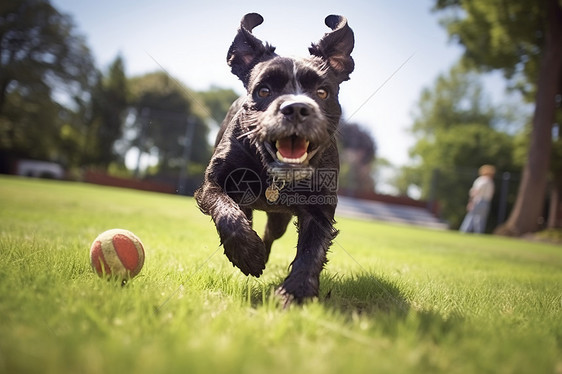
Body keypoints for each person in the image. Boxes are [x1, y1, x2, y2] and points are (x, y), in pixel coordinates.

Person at [460, 165, 496, 233]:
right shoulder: (491, 182)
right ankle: (478, 233)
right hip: (486, 202)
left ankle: (464, 231)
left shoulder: (481, 180)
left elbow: (475, 191)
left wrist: (471, 201)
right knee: (481, 219)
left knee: (471, 216)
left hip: (478, 200)